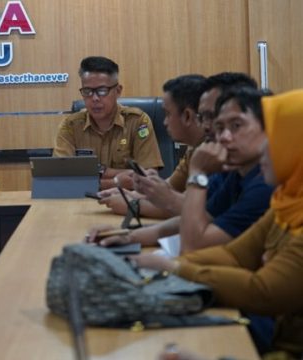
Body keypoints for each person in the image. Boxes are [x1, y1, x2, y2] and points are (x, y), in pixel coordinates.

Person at [133, 88, 303, 359]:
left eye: (274, 137)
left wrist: (174, 268)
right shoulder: (287, 202)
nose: (264, 149)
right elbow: (234, 255)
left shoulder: (267, 189)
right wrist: (161, 265)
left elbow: (263, 291)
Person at [89, 86, 273, 254]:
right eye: (219, 125)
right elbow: (204, 217)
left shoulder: (264, 185)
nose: (222, 136)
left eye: (236, 125)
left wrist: (197, 174)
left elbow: (192, 244)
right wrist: (128, 235)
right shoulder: (235, 172)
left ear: (270, 126)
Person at [98, 74, 207, 218]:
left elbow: (191, 210)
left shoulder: (212, 152)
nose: (165, 122)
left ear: (187, 116)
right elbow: (169, 190)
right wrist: (129, 194)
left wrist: (134, 206)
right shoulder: (193, 148)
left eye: (168, 114)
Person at [53, 56, 163, 190]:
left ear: (118, 91)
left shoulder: (137, 121)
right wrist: (116, 181)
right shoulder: (70, 125)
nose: (94, 98)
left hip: (126, 204)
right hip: (81, 204)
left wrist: (92, 175)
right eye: (87, 91)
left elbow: (149, 179)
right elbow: (60, 178)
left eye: (102, 91)